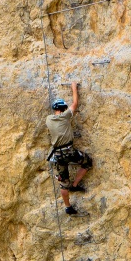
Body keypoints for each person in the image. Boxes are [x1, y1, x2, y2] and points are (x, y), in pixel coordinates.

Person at [46, 82, 93, 216]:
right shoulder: (65, 116)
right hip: (68, 151)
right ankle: (75, 185)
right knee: (87, 162)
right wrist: (74, 88)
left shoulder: (48, 119)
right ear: (63, 109)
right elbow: (75, 103)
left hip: (57, 155)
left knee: (62, 182)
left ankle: (67, 207)